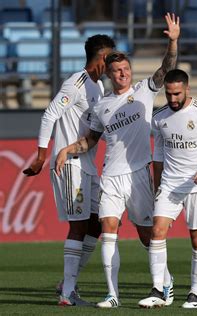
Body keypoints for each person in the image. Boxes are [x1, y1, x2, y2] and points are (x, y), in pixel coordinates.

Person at [55, 13, 180, 308]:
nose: (123, 74)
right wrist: (67, 149)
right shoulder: (101, 106)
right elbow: (91, 140)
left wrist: (173, 41)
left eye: (126, 69)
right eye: (117, 70)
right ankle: (113, 295)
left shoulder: (144, 90)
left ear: (130, 70)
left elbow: (167, 68)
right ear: (109, 74)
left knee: (147, 235)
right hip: (111, 175)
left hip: (139, 173)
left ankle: (164, 283)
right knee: (108, 230)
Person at [23, 34, 116, 306]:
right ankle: (68, 293)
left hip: (87, 165)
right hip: (70, 166)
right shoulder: (76, 83)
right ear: (101, 58)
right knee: (77, 227)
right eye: (110, 57)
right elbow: (49, 114)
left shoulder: (98, 89)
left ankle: (68, 283)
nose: (111, 63)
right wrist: (42, 156)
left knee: (97, 223)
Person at [137, 69, 197, 309]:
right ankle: (158, 290)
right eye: (168, 93)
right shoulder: (159, 117)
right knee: (157, 231)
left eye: (177, 93)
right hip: (170, 185)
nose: (173, 99)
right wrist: (157, 184)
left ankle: (195, 294)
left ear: (187, 89)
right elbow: (159, 153)